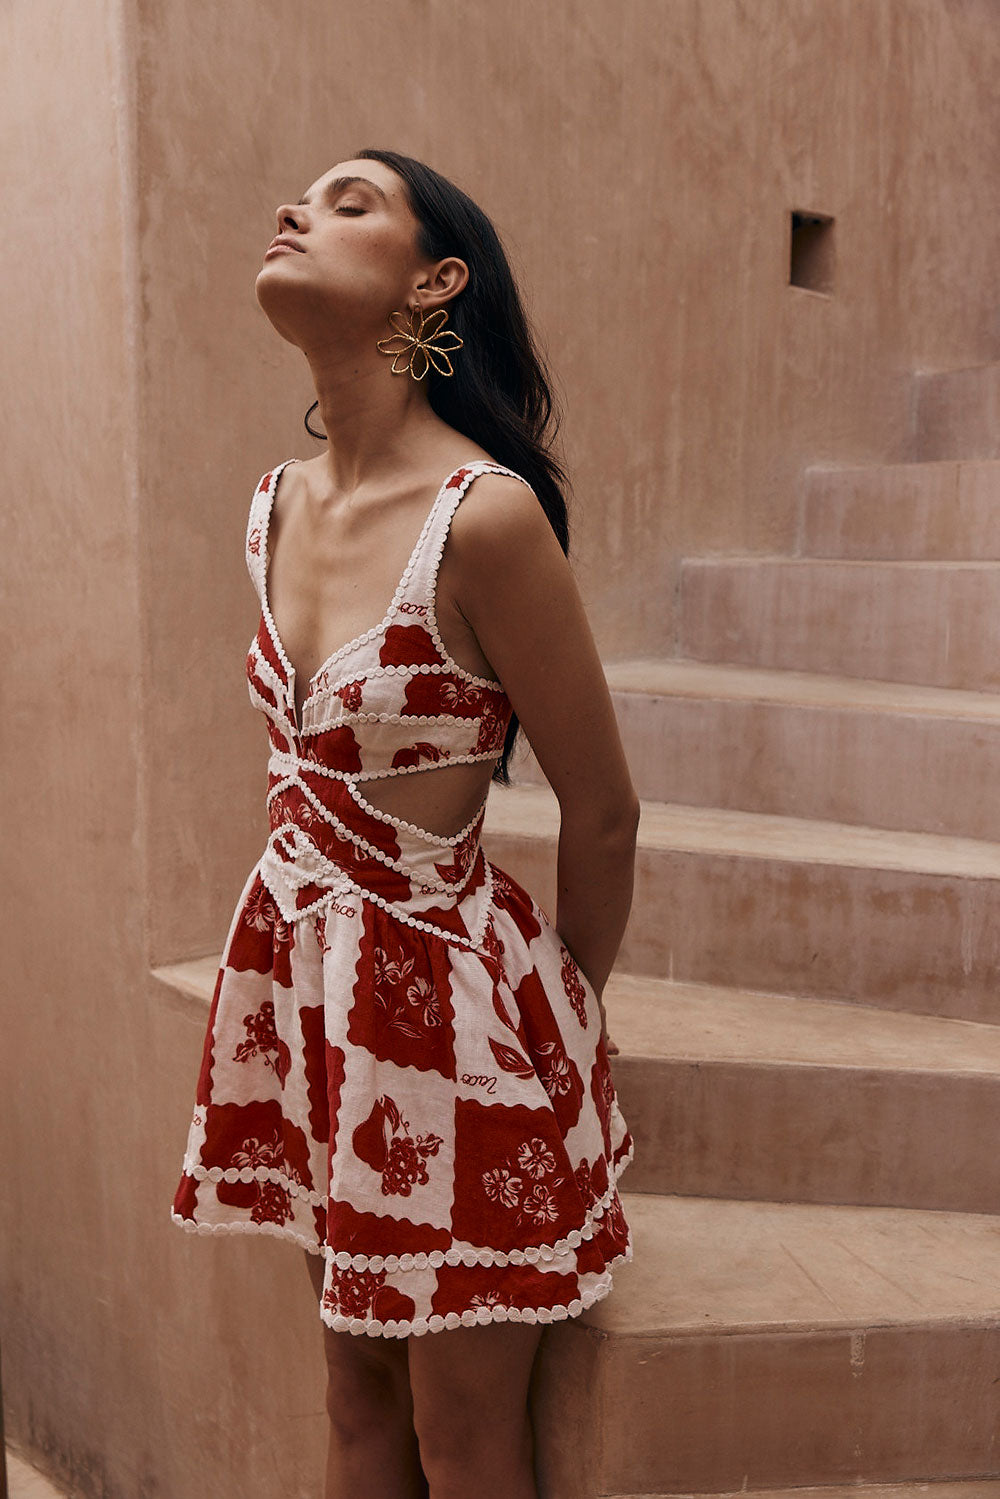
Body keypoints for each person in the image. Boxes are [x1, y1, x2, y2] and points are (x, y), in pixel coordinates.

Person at [170, 147, 639, 1499]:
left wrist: (567, 1018)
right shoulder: (273, 504)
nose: (295, 211)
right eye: (303, 197)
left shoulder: (483, 520)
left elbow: (602, 811)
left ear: (437, 281)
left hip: (454, 1023)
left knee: (463, 1432)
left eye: (349, 202)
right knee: (352, 1387)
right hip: (309, 994)